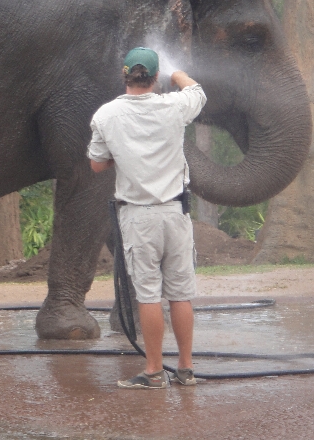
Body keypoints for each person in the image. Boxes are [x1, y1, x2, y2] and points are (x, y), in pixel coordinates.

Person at [87, 47, 207, 389]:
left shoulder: (106, 115)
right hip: (176, 213)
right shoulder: (174, 106)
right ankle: (185, 370)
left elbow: (97, 164)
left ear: (124, 76)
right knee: (180, 294)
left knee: (149, 295)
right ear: (155, 78)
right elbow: (197, 91)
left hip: (139, 218)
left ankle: (154, 372)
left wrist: (121, 157)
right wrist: (177, 73)